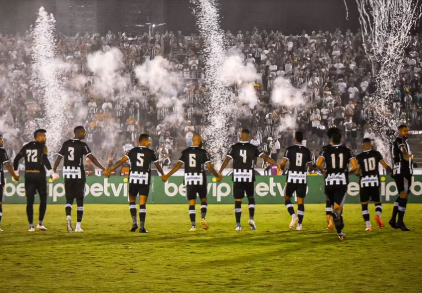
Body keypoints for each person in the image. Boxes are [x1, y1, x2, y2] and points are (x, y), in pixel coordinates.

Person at [218, 129, 280, 231]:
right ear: (249, 136)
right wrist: (276, 164)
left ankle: (238, 225)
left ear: (241, 135)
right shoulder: (253, 147)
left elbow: (226, 160)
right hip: (248, 175)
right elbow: (265, 157)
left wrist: (220, 171)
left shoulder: (235, 147)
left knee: (238, 200)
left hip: (238, 176)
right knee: (251, 197)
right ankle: (251, 218)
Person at [104, 134, 164, 233]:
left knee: (132, 200)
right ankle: (142, 227)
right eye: (149, 141)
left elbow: (121, 161)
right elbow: (157, 165)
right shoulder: (151, 152)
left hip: (133, 179)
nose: (150, 142)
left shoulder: (132, 151)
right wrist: (163, 175)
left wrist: (110, 169)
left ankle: (134, 223)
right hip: (144, 179)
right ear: (144, 141)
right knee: (142, 203)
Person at [161, 134, 221, 231]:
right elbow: (209, 166)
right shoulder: (203, 152)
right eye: (201, 140)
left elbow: (177, 166)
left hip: (189, 178)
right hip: (200, 177)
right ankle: (203, 218)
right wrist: (217, 175)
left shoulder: (186, 152)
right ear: (197, 140)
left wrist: (167, 175)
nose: (202, 141)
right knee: (204, 200)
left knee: (192, 202)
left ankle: (193, 225)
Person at [53, 126, 105, 232]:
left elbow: (58, 158)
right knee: (80, 199)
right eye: (83, 132)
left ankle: (68, 218)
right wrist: (103, 168)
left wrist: (53, 170)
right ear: (78, 132)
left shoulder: (66, 143)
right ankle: (78, 226)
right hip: (78, 174)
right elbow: (92, 158)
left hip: (67, 173)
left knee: (69, 199)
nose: (85, 134)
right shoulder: (82, 145)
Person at [13, 129, 59, 232]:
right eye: (44, 136)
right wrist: (52, 173)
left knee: (30, 201)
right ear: (38, 136)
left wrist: (16, 172)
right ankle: (40, 223)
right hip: (39, 175)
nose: (45, 138)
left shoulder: (26, 146)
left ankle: (31, 226)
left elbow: (16, 159)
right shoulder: (42, 147)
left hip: (29, 175)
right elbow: (45, 160)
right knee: (43, 199)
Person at [316, 131, 358, 241]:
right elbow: (355, 166)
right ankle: (332, 218)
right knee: (338, 209)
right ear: (341, 139)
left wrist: (324, 171)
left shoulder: (325, 150)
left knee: (334, 207)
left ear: (331, 140)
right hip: (341, 183)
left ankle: (340, 233)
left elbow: (318, 164)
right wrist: (348, 172)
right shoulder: (347, 151)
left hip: (329, 182)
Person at [279, 131, 313, 230]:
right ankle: (300, 225)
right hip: (302, 178)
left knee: (286, 198)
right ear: (302, 139)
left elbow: (283, 164)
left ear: (295, 138)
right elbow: (310, 167)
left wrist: (281, 167)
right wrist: (309, 169)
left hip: (292, 177)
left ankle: (294, 217)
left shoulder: (289, 149)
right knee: (300, 201)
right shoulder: (307, 151)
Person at [356, 138, 392, 231]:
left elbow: (357, 171)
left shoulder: (359, 156)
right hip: (375, 181)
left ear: (363, 145)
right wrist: (392, 171)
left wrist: (358, 174)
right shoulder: (376, 154)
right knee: (378, 202)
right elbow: (385, 165)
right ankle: (378, 216)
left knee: (364, 205)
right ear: (371, 145)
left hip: (364, 182)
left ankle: (368, 226)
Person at [389, 125, 413, 231]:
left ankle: (393, 219)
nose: (407, 132)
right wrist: (408, 156)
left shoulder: (403, 141)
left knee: (403, 195)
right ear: (399, 131)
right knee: (404, 195)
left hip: (403, 171)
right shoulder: (399, 140)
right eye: (404, 131)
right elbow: (404, 153)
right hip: (402, 171)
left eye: (407, 130)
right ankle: (400, 222)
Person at [0, 134, 21, 231]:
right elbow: (8, 165)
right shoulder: (1, 151)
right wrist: (15, 176)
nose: (2, 141)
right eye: (1, 139)